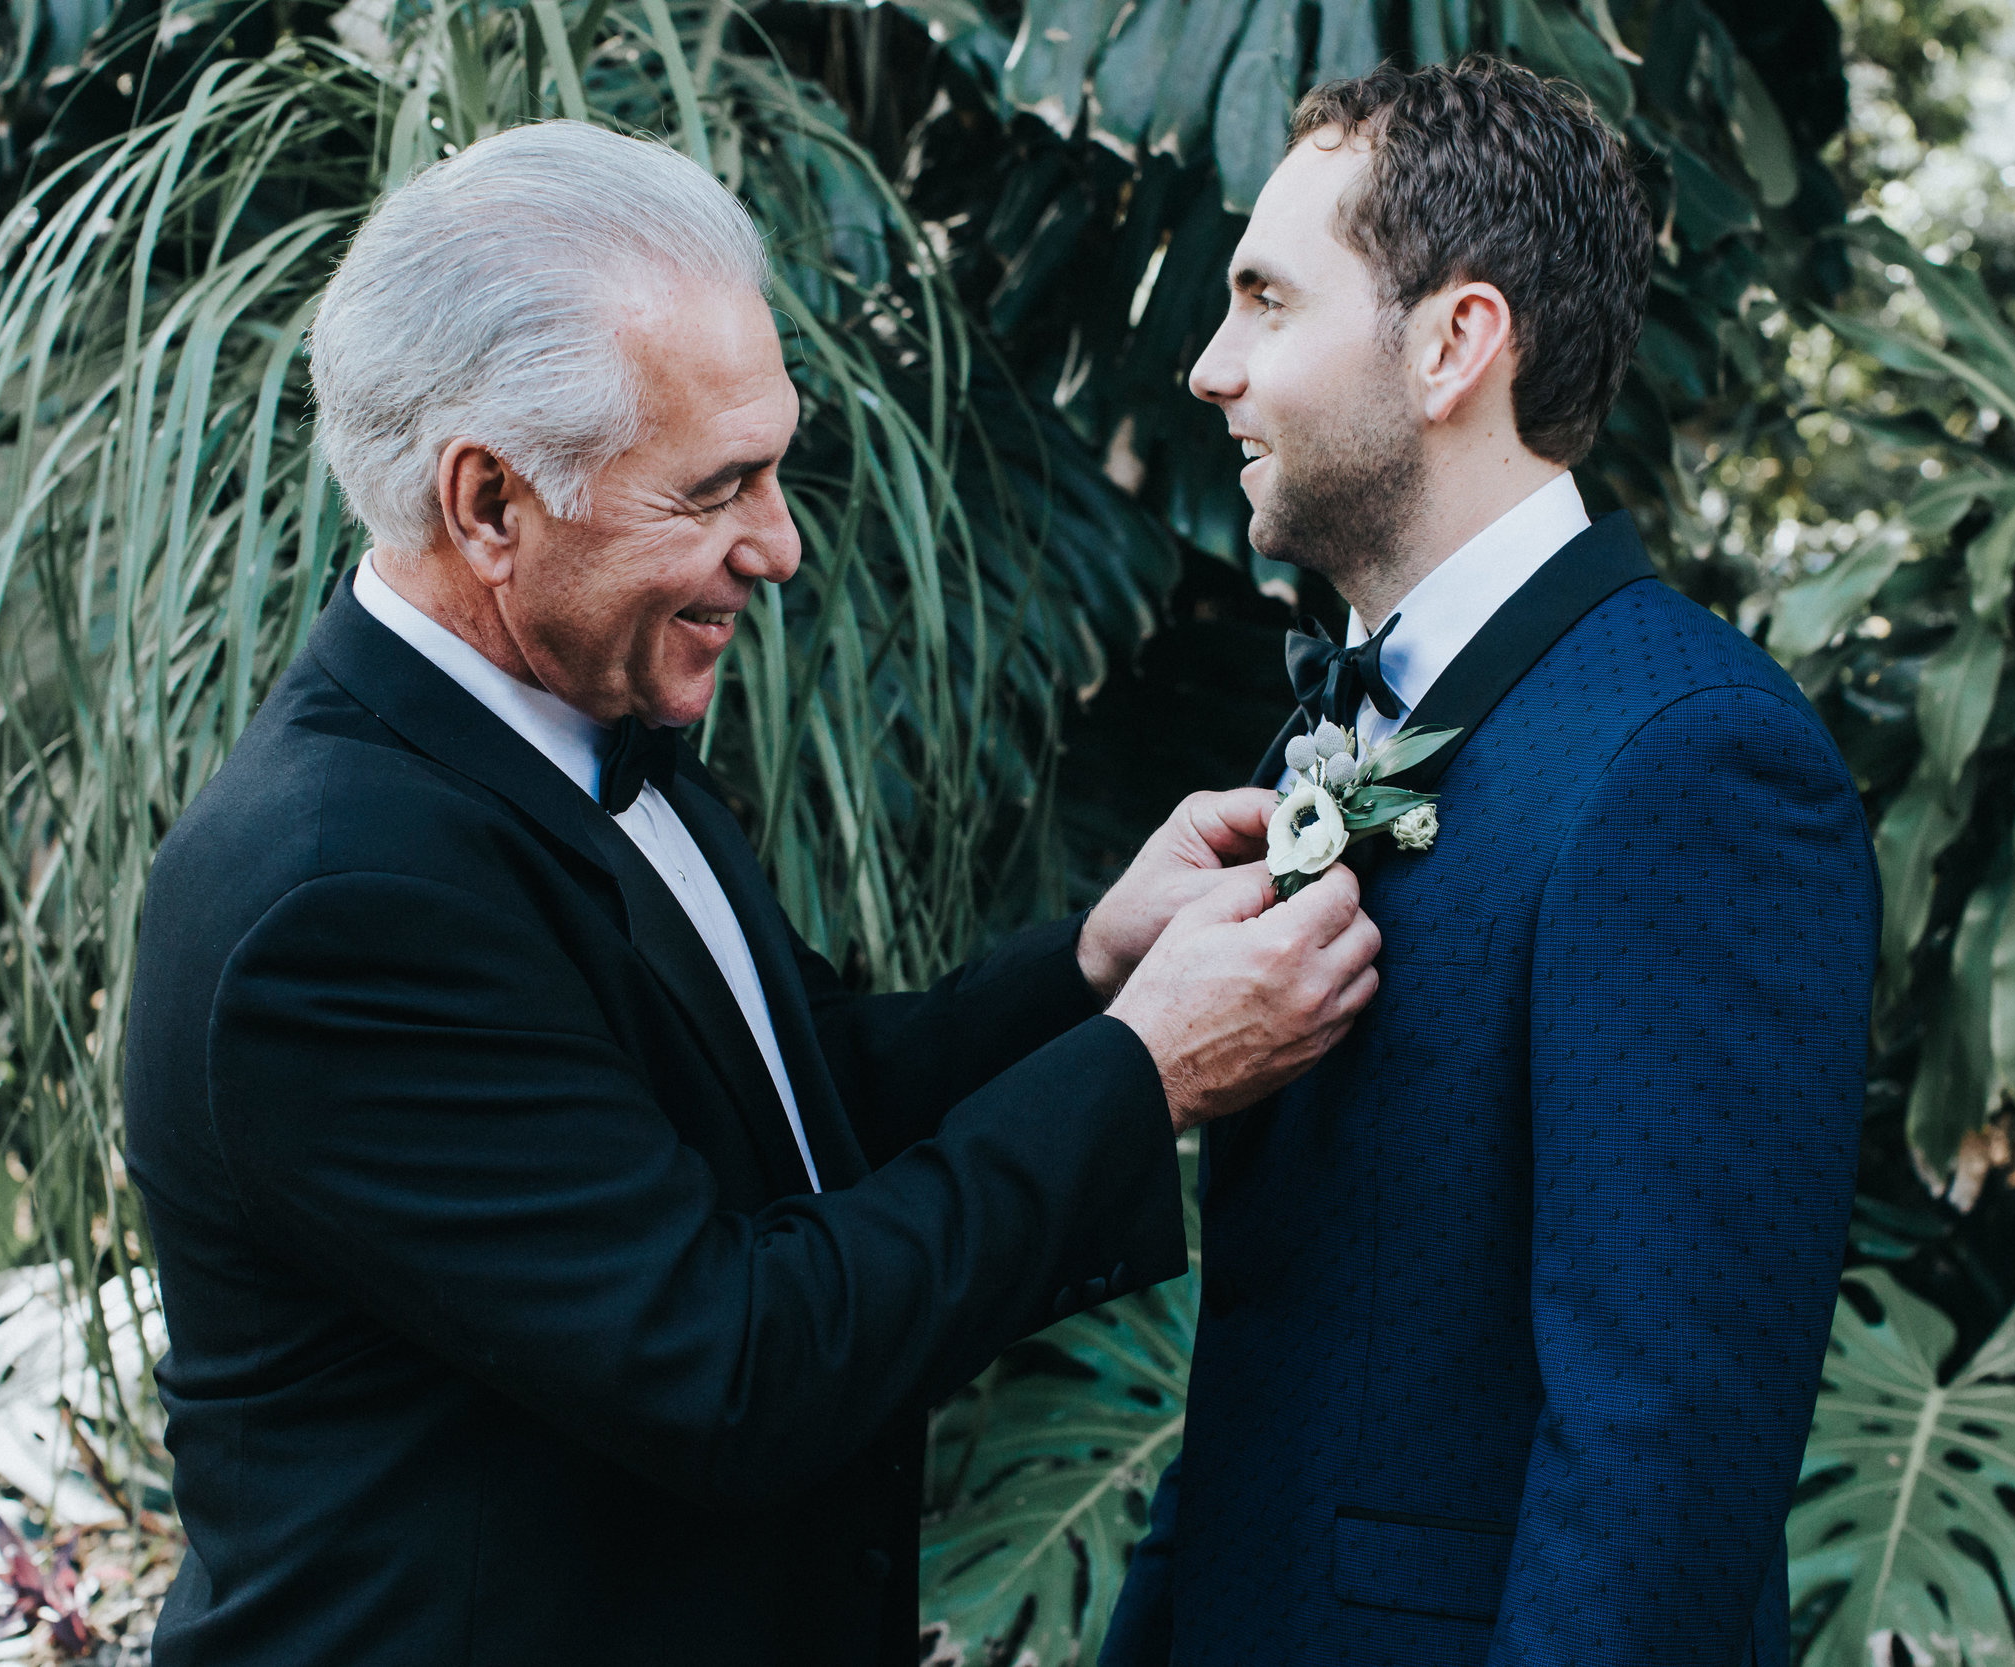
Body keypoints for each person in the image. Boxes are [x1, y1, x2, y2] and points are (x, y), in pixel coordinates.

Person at [121, 121, 1383, 1667]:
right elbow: (733, 1365)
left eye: (775, 468)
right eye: (717, 489)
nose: (778, 547)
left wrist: (1096, 969)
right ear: (490, 505)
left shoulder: (586, 721)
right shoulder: (335, 907)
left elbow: (795, 1105)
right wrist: (1147, 1076)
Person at [1100, 59, 1877, 1667]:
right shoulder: (1344, 726)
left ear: (1457, 343)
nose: (1210, 367)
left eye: (1265, 302)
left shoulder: (1689, 759)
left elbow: (1661, 1462)